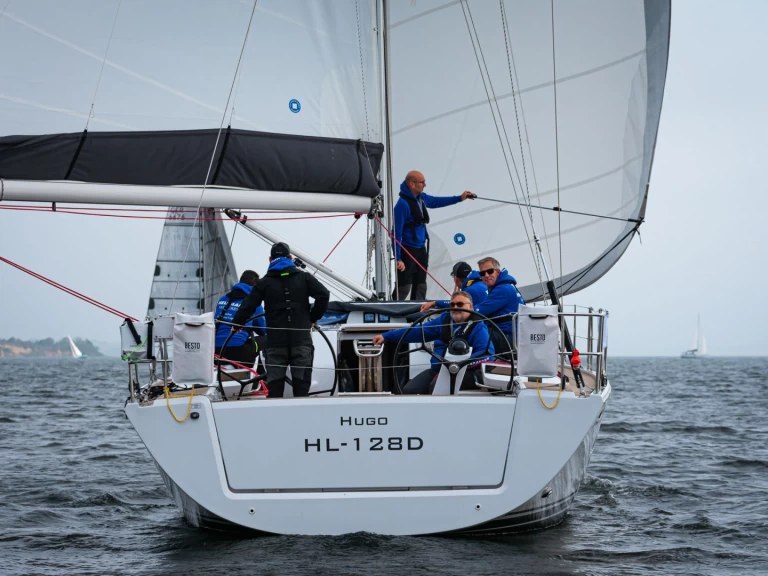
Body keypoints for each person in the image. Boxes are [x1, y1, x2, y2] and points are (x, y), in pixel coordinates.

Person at [232, 242, 330, 398]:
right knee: (301, 391)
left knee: (275, 392)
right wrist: (312, 318)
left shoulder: (263, 283)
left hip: (276, 345)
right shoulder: (304, 278)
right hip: (301, 342)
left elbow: (248, 305)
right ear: (290, 258)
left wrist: (237, 324)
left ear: (270, 259)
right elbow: (324, 295)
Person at [373, 291, 493, 394]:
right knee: (409, 390)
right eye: (452, 304)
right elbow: (418, 331)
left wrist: (459, 365)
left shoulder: (478, 328)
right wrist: (387, 336)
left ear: (470, 307)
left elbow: (487, 356)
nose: (455, 307)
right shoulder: (444, 320)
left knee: (436, 388)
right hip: (438, 370)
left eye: (460, 304)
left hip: (465, 372)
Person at [392, 170, 476, 301]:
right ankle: (393, 308)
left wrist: (460, 198)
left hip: (421, 248)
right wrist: (398, 258)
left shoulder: (421, 198)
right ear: (412, 184)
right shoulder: (402, 205)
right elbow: (396, 233)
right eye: (422, 182)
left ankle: (417, 310)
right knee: (405, 284)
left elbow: (437, 202)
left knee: (421, 283)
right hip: (407, 250)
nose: (425, 185)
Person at [472, 256, 526, 362]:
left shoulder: (503, 289)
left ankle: (478, 365)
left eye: (490, 271)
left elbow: (478, 310)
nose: (486, 275)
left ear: (497, 271)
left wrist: (454, 310)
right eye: (482, 273)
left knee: (474, 332)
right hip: (513, 339)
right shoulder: (504, 286)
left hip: (510, 341)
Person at [214, 270, 266, 367]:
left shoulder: (222, 299)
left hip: (216, 351)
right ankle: (262, 376)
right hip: (239, 352)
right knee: (271, 339)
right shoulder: (254, 302)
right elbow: (263, 330)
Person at [419, 261, 488, 313]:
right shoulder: (483, 282)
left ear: (455, 278)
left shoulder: (469, 291)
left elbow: (454, 304)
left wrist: (434, 303)